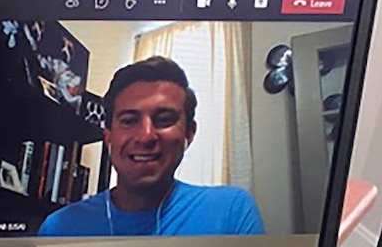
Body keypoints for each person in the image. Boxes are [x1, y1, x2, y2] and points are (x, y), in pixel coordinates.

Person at [37, 56, 266, 237]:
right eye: (128, 120)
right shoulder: (59, 228)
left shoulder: (231, 213)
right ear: (108, 138)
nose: (146, 136)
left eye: (164, 119)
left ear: (189, 133)